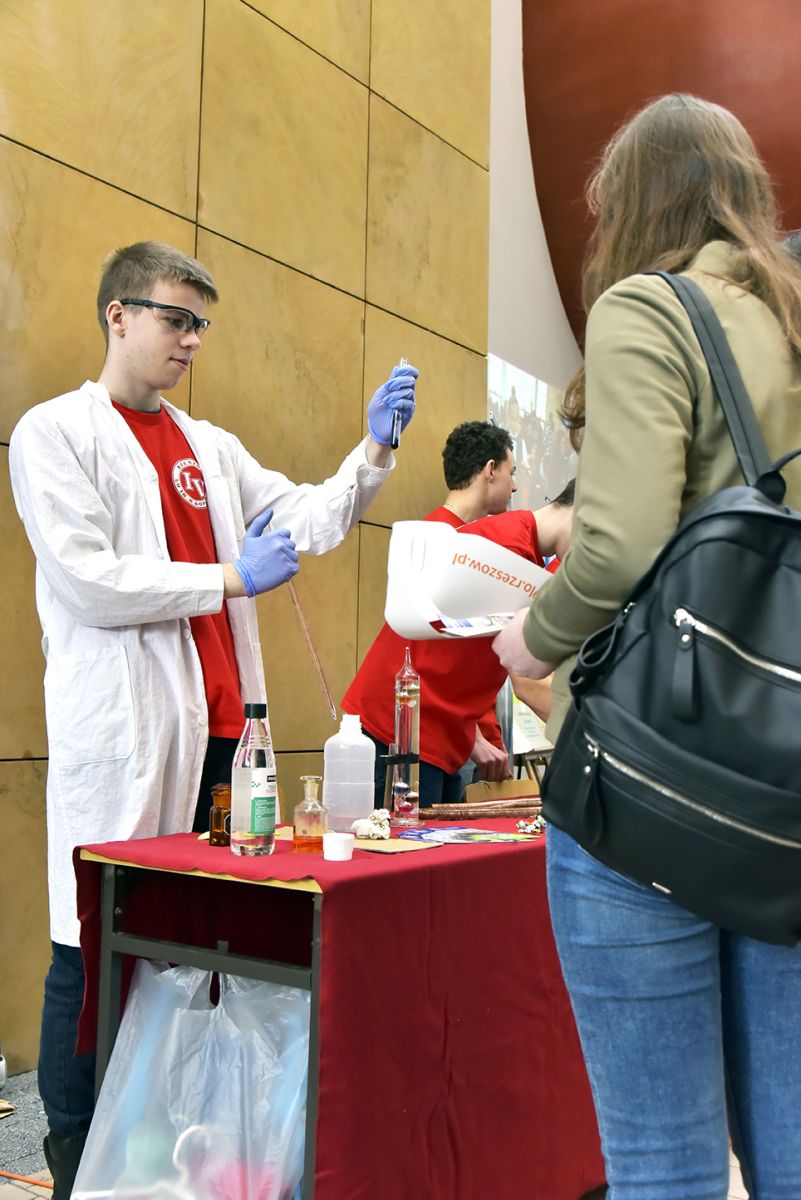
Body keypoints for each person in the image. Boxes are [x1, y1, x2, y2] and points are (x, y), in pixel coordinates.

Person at [8, 240, 418, 1196]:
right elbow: (90, 579)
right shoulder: (55, 432)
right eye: (174, 318)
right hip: (128, 734)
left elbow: (306, 521)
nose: (191, 339)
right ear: (118, 315)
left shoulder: (210, 447)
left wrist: (372, 453)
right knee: (94, 944)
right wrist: (228, 577)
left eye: (200, 324)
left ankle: (174, 1150)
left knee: (203, 943)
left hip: (226, 739)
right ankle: (76, 1156)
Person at [493, 94, 801, 1199]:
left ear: (629, 205)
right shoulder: (791, 320)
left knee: (663, 1161)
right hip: (788, 785)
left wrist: (529, 640)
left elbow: (620, 544)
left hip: (650, 780)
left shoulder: (648, 308)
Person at [341, 420, 573, 807]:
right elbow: (527, 678)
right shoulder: (507, 550)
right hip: (402, 729)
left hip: (436, 734)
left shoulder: (519, 548)